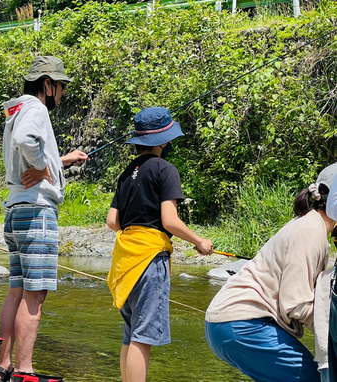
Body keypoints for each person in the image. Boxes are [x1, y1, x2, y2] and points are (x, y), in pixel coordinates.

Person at [0, 56, 88, 382]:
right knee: (35, 296)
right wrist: (44, 168)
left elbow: (25, 151)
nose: (61, 94)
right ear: (47, 84)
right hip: (37, 214)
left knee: (16, 291)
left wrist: (59, 161)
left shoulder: (16, 110)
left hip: (16, 211)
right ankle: (24, 372)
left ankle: (3, 369)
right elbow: (26, 142)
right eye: (59, 87)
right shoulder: (37, 108)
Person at [106, 107, 214, 382]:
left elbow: (112, 221)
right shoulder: (166, 170)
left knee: (131, 333)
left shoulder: (127, 171)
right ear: (164, 141)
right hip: (149, 259)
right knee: (143, 337)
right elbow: (169, 220)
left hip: (125, 259)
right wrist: (199, 241)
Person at [205, 162, 337, 382]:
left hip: (231, 324)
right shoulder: (311, 232)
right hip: (242, 323)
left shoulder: (310, 226)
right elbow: (295, 303)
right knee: (313, 379)